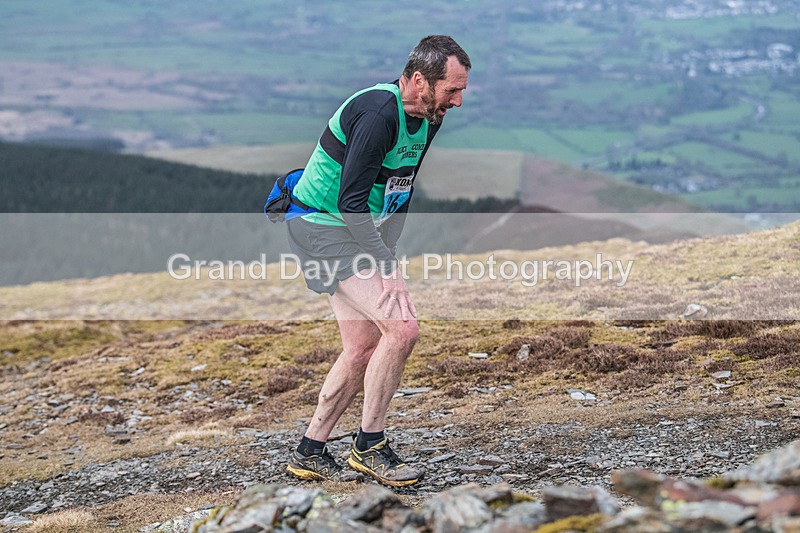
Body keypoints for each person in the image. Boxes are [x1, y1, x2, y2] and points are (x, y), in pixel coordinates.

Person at [285, 35, 470, 487]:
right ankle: (370, 446)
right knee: (402, 329)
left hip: (351, 229)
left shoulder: (428, 116)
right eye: (451, 90)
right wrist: (387, 268)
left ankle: (310, 451)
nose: (458, 102)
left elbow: (399, 190)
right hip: (322, 227)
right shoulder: (377, 115)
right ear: (420, 80)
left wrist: (390, 254)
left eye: (462, 91)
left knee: (362, 347)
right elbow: (351, 203)